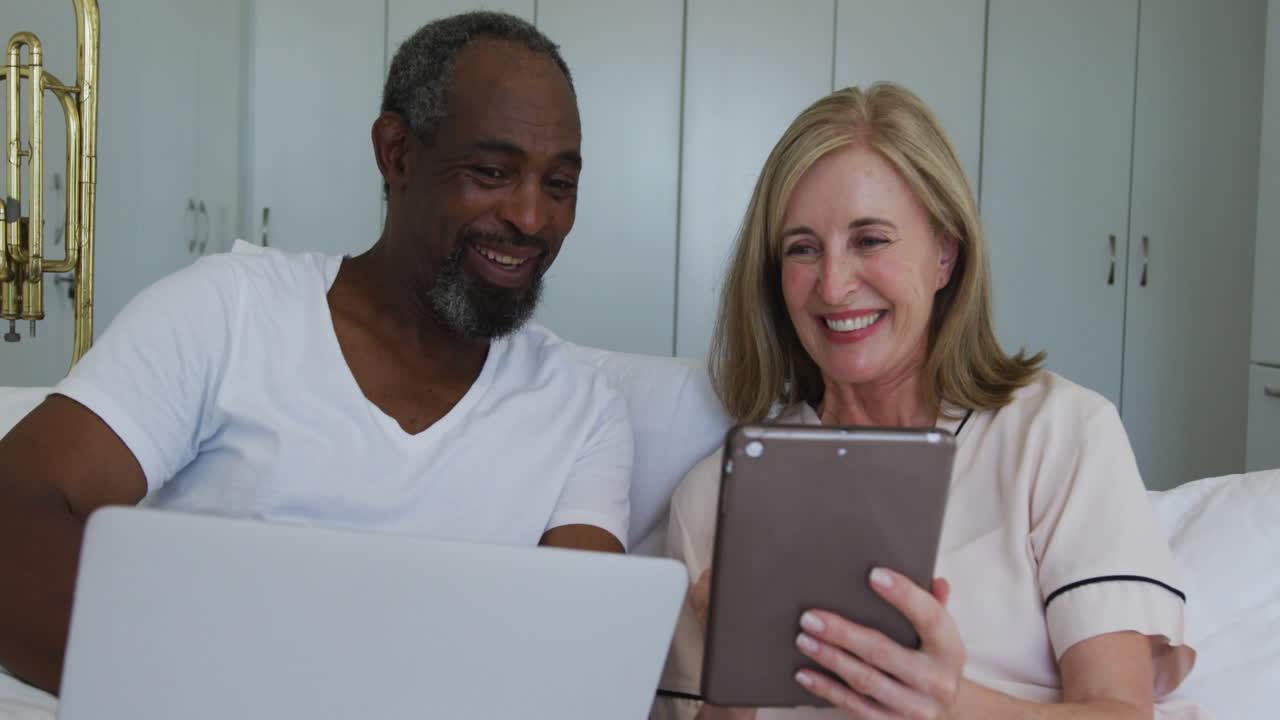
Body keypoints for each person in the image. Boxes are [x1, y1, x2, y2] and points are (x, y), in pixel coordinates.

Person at [0, 11, 633, 696]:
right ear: (397, 154)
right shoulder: (229, 312)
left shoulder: (582, 409)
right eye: (491, 172)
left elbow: (578, 662)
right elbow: (16, 510)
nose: (532, 218)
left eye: (560, 185)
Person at [653, 83, 1205, 720]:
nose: (833, 285)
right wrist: (734, 691)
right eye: (802, 249)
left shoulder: (1057, 434)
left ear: (945, 254)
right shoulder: (712, 500)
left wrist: (947, 703)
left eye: (871, 240)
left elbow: (1120, 711)